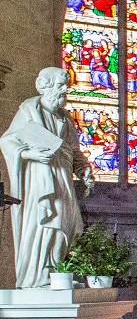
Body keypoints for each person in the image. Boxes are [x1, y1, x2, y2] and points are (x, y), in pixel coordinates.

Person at [0, 68, 94, 287]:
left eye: (66, 86)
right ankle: (38, 277)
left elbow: (73, 150)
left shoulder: (65, 118)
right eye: (60, 86)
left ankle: (57, 273)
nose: (65, 91)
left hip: (62, 177)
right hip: (39, 179)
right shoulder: (29, 110)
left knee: (67, 226)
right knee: (47, 222)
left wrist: (83, 169)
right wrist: (29, 154)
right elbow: (8, 141)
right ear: (46, 87)